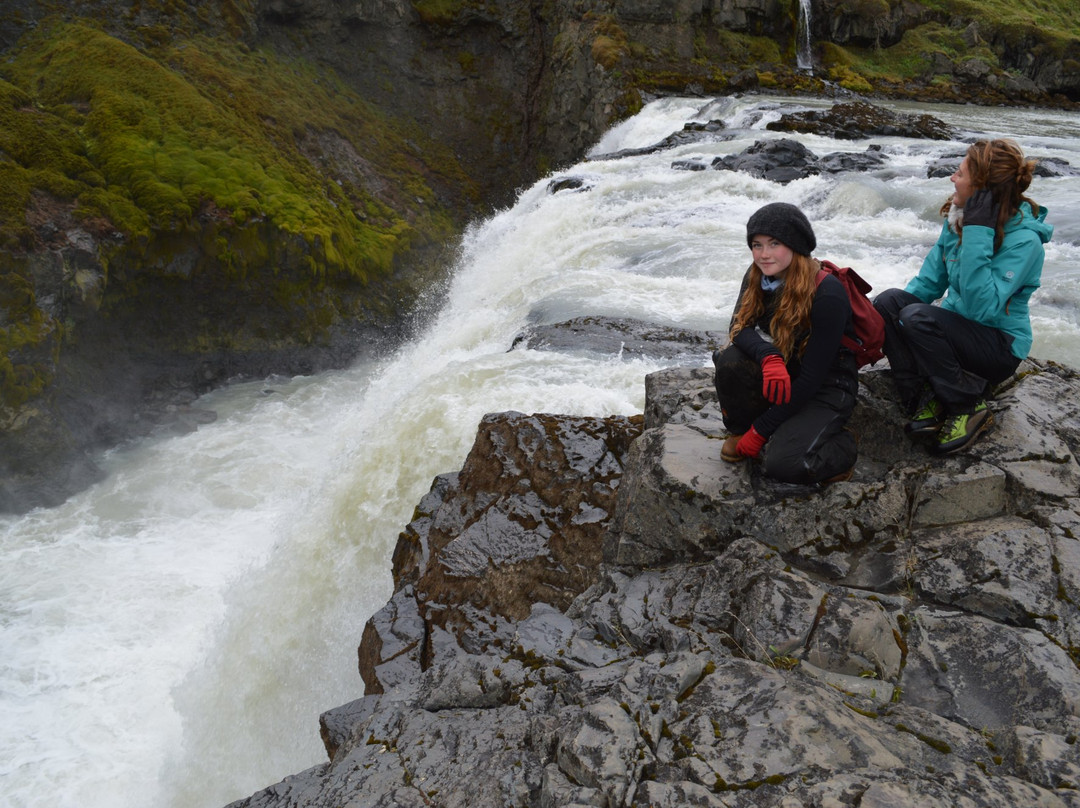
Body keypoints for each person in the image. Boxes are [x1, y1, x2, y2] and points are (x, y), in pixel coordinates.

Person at [873, 139, 1053, 454]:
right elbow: (928, 283)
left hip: (998, 346)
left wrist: (977, 233)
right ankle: (925, 396)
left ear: (983, 189)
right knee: (889, 302)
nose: (952, 179)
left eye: (959, 173)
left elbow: (982, 307)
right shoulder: (958, 218)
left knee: (916, 318)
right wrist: (879, 320)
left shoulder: (1025, 242)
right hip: (956, 331)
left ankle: (967, 405)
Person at [713, 202, 859, 484]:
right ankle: (740, 430)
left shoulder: (828, 293)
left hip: (826, 387)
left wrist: (763, 430)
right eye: (757, 245)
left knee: (782, 464)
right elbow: (738, 327)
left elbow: (812, 380)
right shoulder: (757, 273)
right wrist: (769, 356)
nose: (764, 255)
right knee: (729, 359)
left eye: (774, 244)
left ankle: (842, 444)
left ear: (795, 245)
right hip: (787, 368)